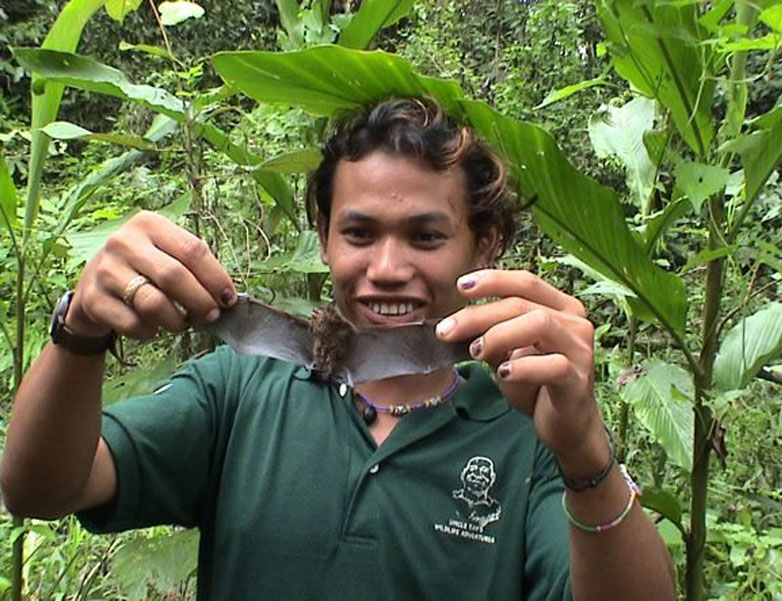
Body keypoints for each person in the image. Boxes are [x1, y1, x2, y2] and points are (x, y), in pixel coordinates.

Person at [1, 98, 675, 600]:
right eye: (359, 232)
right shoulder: (241, 387)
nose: (386, 266)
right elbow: (38, 487)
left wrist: (587, 455)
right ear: (323, 233)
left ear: (486, 243)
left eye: (426, 237)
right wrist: (80, 329)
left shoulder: (533, 428)